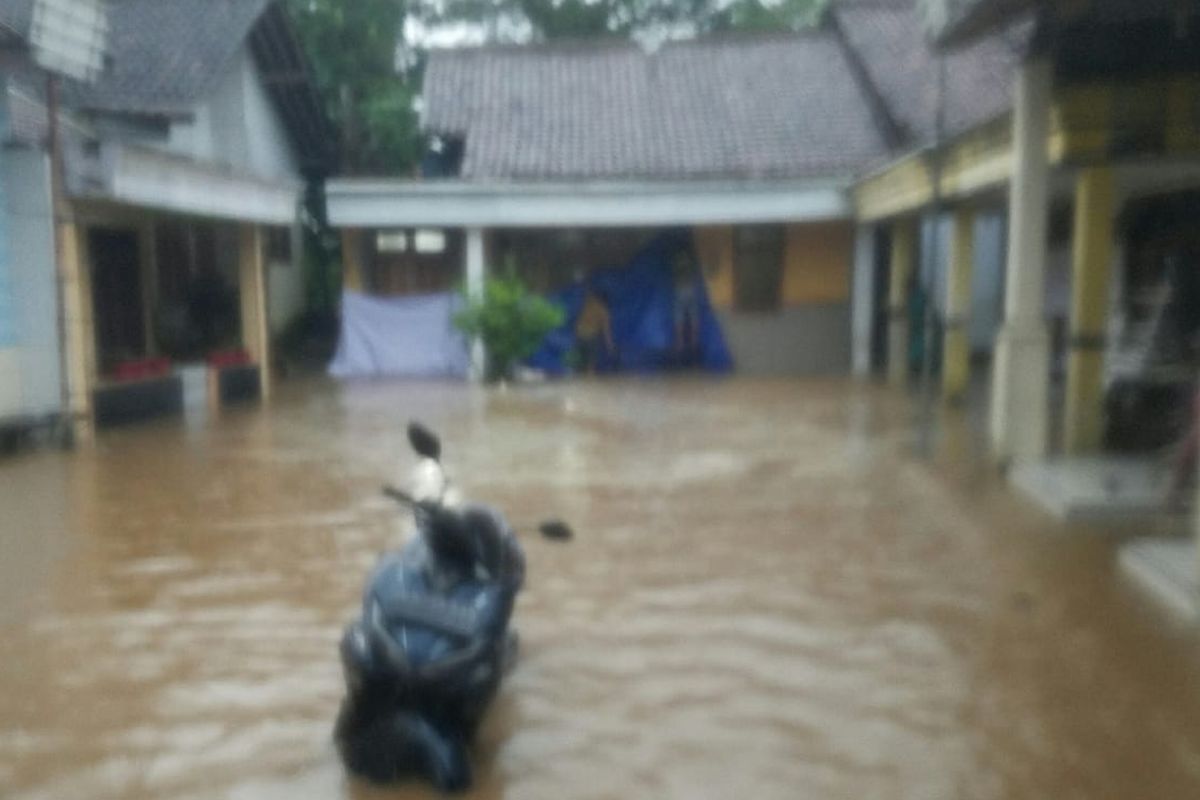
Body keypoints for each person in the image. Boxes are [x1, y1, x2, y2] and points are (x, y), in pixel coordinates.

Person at [574, 286, 613, 374]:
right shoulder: (604, 312)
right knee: (590, 365)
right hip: (591, 336)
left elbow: (578, 321)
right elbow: (606, 331)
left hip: (580, 335)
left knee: (580, 364)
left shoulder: (588, 305)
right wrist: (610, 345)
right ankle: (590, 382)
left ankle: (580, 383)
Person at [672, 249, 701, 364]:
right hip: (691, 290)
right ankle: (694, 341)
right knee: (693, 316)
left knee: (679, 316)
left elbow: (675, 275)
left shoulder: (677, 262)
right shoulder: (690, 263)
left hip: (680, 290)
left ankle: (680, 343)